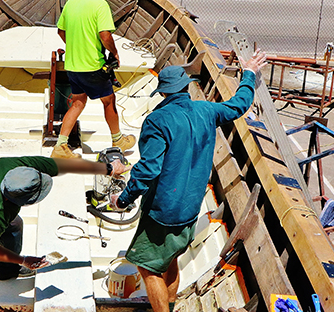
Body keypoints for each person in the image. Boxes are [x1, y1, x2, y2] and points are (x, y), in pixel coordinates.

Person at [110, 51, 267, 312]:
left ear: (161, 93)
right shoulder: (207, 110)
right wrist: (248, 73)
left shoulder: (157, 121)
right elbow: (240, 104)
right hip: (191, 208)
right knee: (170, 260)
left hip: (163, 211)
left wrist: (123, 200)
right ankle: (169, 306)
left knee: (147, 268)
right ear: (186, 87)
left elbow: (148, 169)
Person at [0, 155, 127, 312]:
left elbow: (64, 164)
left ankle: (6, 271)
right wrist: (23, 259)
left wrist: (108, 168)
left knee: (15, 224)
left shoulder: (19, 168)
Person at [51, 0, 135, 159]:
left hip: (73, 65)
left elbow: (61, 31)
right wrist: (114, 53)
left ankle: (60, 145)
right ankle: (118, 139)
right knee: (109, 100)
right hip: (92, 65)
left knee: (78, 102)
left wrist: (76, 46)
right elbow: (105, 35)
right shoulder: (100, 5)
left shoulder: (72, 2)